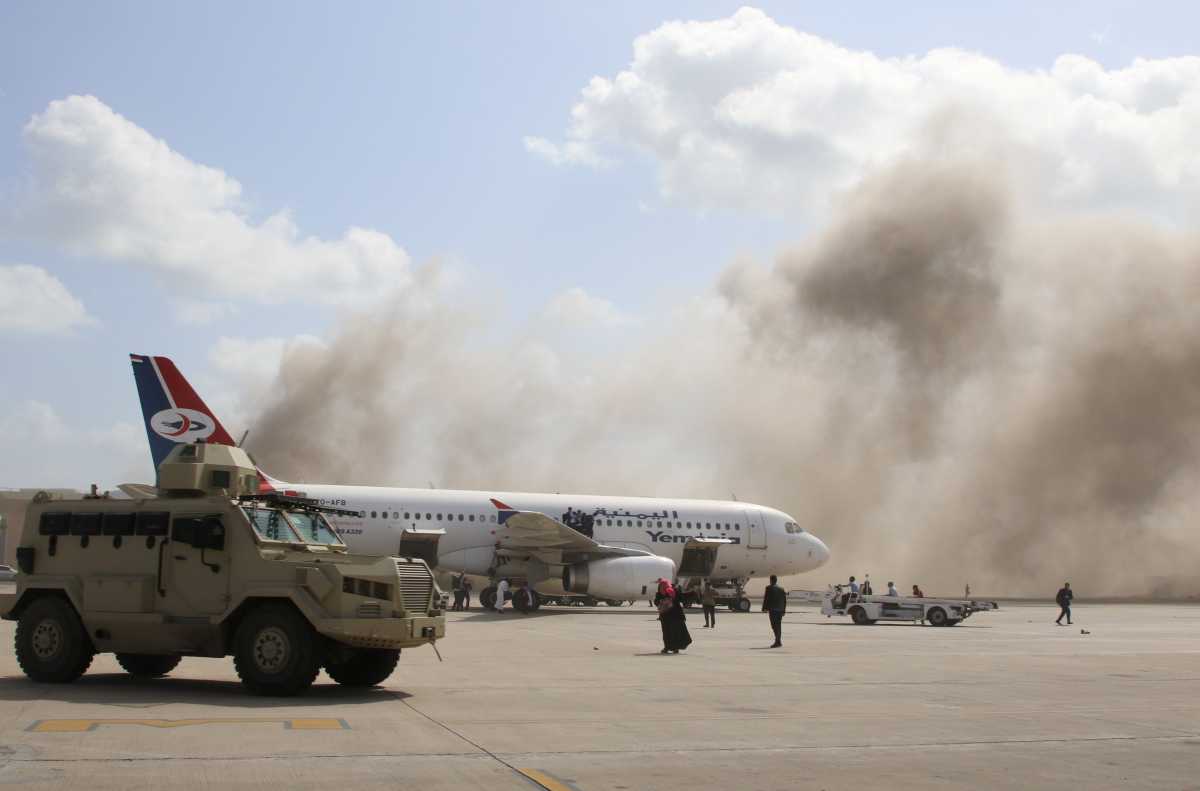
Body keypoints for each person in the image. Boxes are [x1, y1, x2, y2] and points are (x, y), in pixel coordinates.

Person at [762, 574, 787, 648]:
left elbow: (766, 598)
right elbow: (784, 600)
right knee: (778, 626)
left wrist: (764, 608)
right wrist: (784, 610)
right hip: (780, 610)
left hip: (772, 610)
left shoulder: (768, 588)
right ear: (776, 580)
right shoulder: (781, 589)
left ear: (771, 580)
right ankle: (778, 641)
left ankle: (777, 641)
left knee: (774, 626)